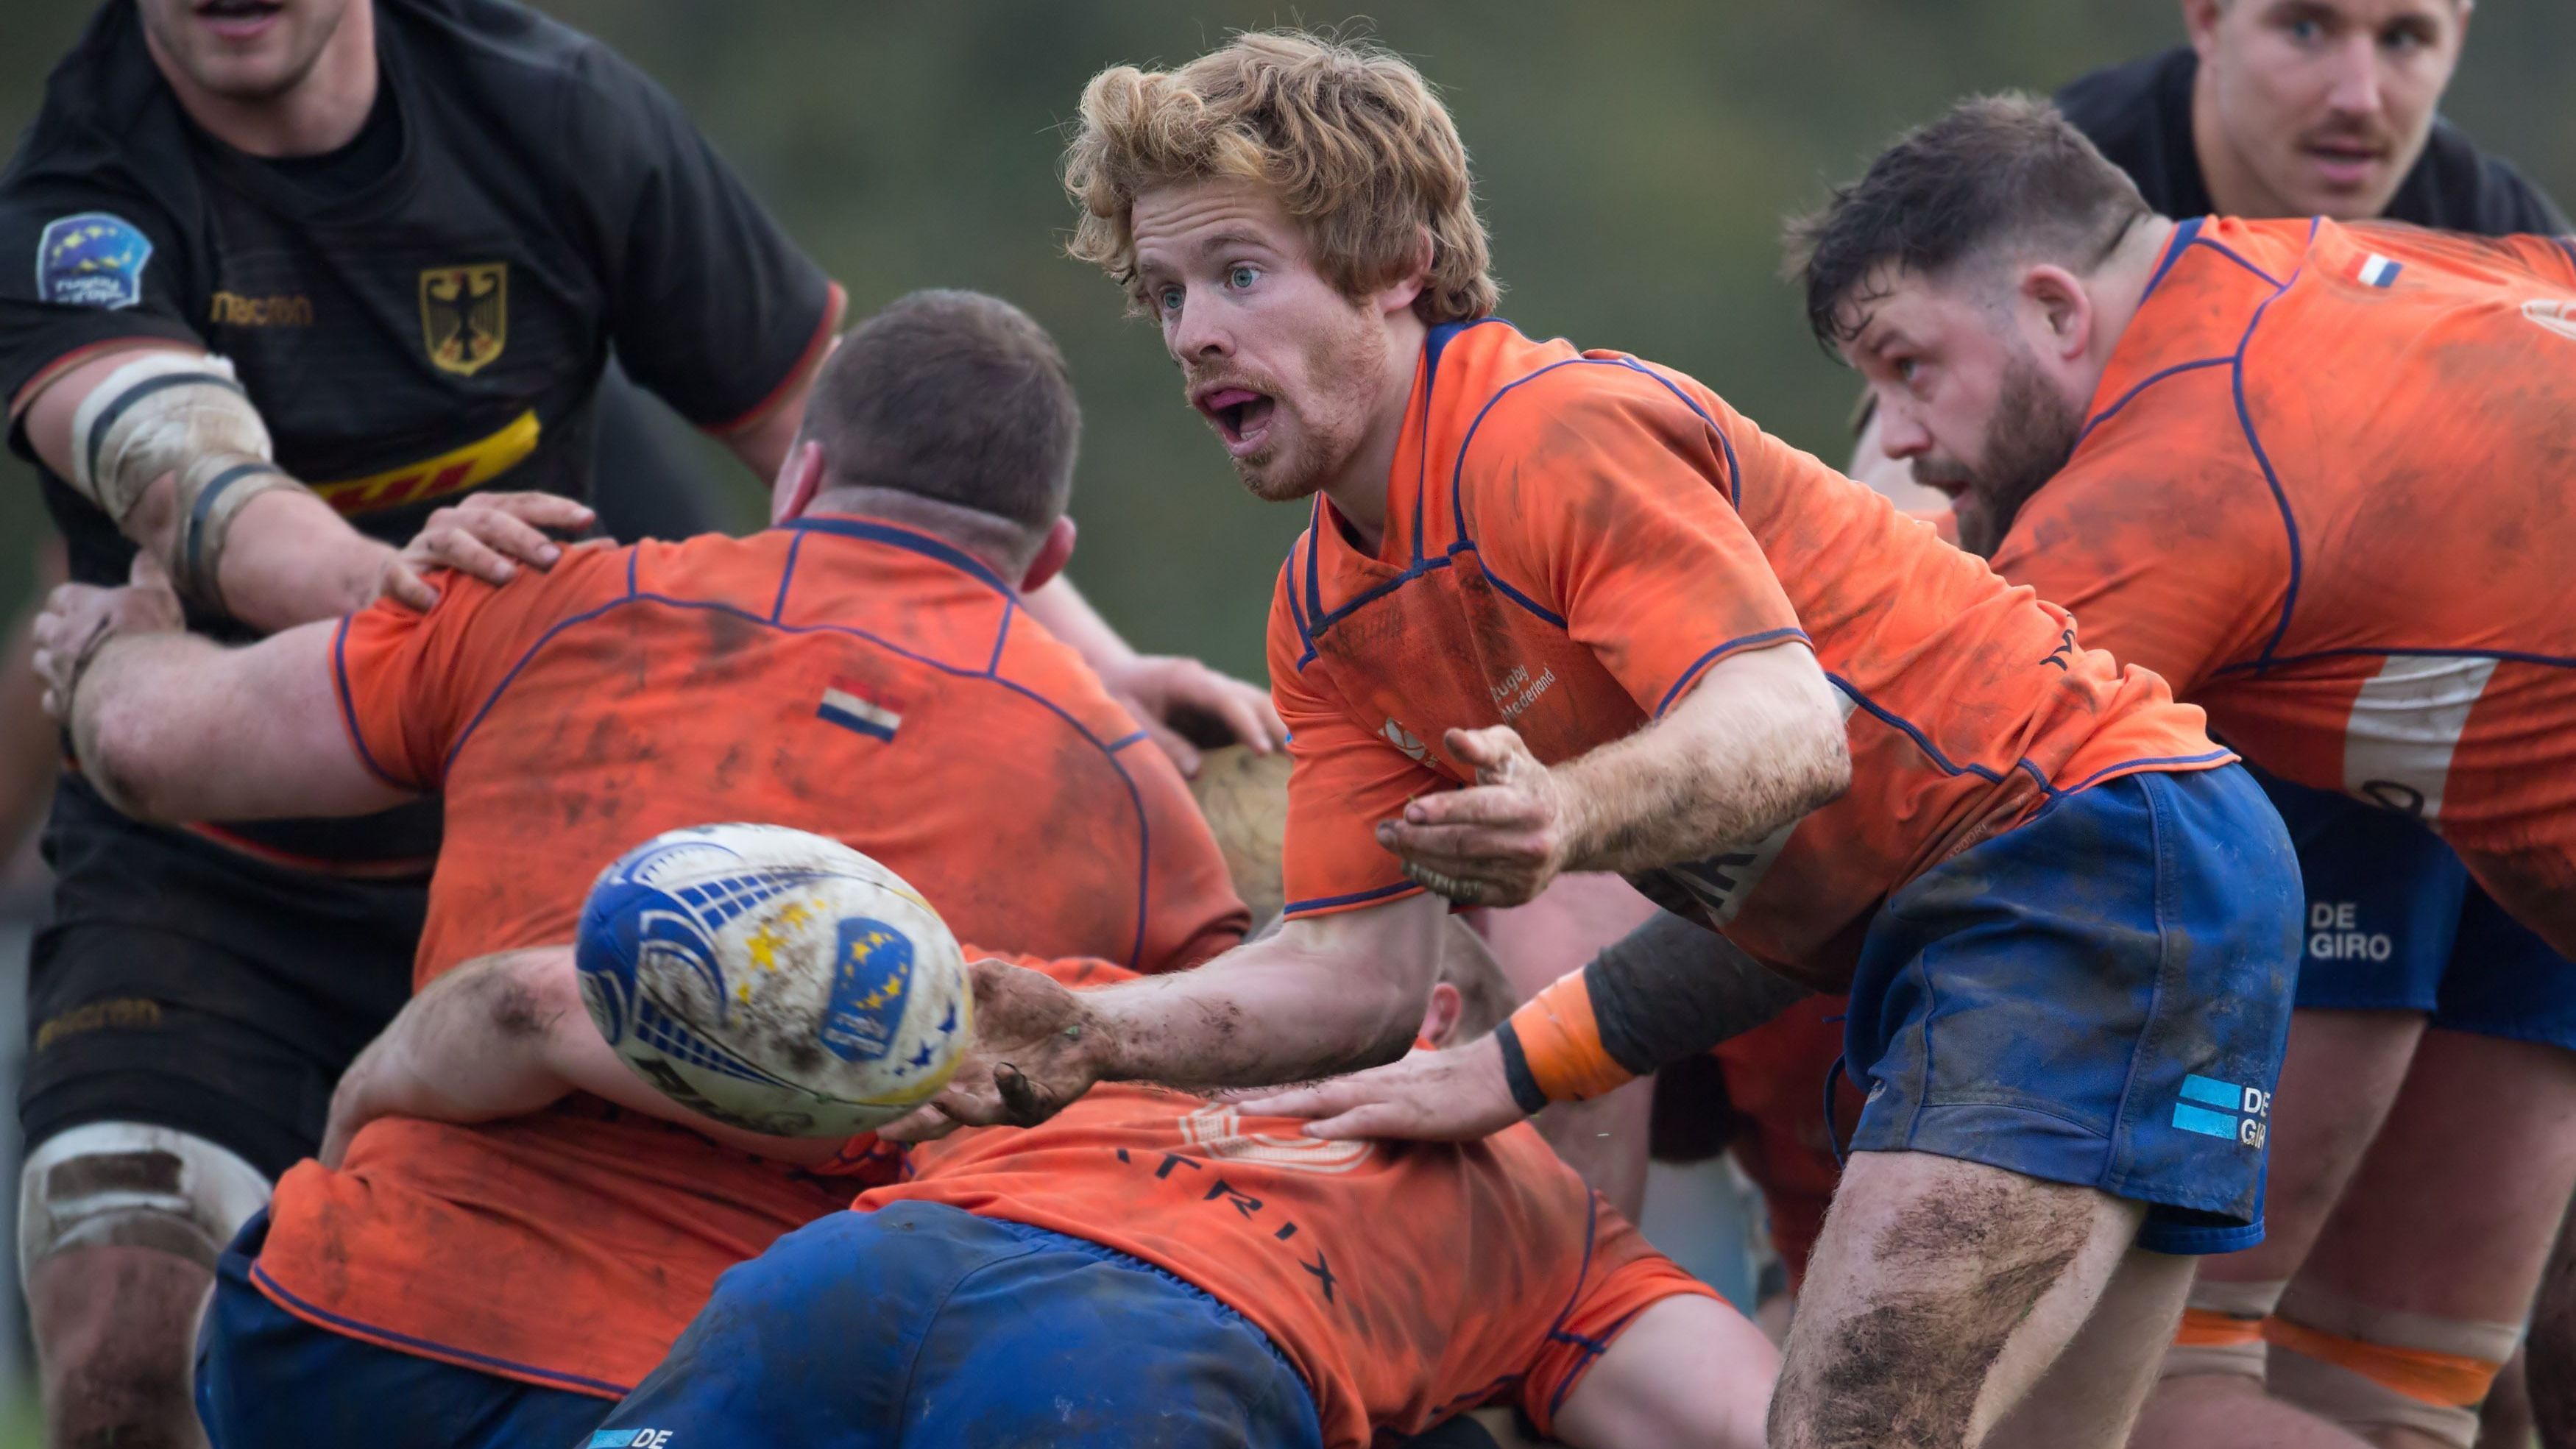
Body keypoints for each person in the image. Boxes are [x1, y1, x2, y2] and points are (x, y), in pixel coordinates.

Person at [887, 32, 2302, 1449]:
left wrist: (1564, 815)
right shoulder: (1322, 608)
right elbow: (1351, 973)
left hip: (2097, 851)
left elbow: (1787, 731)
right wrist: (1092, 1028)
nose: (1194, 330)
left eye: (1241, 274)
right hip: (2021, 895)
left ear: (1398, 265)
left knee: (1848, 1428)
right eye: (1166, 293)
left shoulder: (1542, 429)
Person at [0, 4, 1278, 1442]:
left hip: (521, 852)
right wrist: (399, 596)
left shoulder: (558, 120)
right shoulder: (77, 193)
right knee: (117, 1360)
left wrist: (1103, 674)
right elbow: (193, 494)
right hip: (222, 873)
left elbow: (823, 422)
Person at [1785, 96, 2576, 1449]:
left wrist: (1530, 1054)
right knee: (2436, 1387)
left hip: (2381, 837)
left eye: (1910, 368)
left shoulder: (2169, 486)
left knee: (2168, 1393)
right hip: (2464, 836)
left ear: (2052, 307)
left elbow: (1873, 837)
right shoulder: (2336, 262)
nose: (1901, 438)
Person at [317, 936, 1774, 1449]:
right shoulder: (1555, 1232)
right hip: (1142, 1363)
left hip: (846, 1288)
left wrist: (366, 1100)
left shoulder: (1088, 1014)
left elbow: (538, 1004)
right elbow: (1777, 1425)